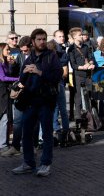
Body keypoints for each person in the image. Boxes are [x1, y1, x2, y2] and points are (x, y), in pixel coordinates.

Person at [12, 28, 62, 177]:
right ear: (33, 41)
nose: (42, 42)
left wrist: (39, 72)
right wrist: (25, 72)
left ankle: (45, 164)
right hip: (30, 101)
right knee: (26, 132)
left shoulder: (51, 56)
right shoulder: (30, 57)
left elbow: (57, 75)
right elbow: (21, 80)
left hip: (46, 101)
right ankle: (28, 162)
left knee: (46, 134)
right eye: (39, 39)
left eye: (44, 39)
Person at [2, 37, 32, 157]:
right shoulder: (19, 56)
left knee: (32, 121)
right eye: (22, 50)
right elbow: (14, 72)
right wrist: (13, 65)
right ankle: (15, 146)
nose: (24, 52)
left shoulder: (36, 56)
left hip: (32, 92)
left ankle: (31, 146)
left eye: (26, 50)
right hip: (20, 92)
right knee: (18, 121)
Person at [67, 27, 96, 130]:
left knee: (89, 96)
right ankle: (78, 121)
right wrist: (82, 67)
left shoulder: (86, 46)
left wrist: (90, 64)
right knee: (78, 98)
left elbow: (91, 58)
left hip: (87, 74)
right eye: (80, 35)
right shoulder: (71, 49)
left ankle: (90, 122)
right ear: (74, 37)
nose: (82, 36)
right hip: (78, 75)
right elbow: (73, 64)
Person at [50, 30, 70, 143]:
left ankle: (58, 129)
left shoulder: (63, 50)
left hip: (59, 81)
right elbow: (64, 71)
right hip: (56, 82)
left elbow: (65, 71)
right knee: (60, 108)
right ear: (54, 37)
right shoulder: (56, 49)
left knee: (57, 108)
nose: (62, 38)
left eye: (63, 36)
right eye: (59, 36)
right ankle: (62, 130)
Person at [0, 43, 18, 153]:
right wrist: (18, 78)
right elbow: (3, 77)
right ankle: (2, 145)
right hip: (1, 93)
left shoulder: (5, 62)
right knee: (4, 118)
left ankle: (4, 142)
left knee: (7, 118)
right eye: (7, 50)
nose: (9, 52)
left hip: (5, 93)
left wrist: (13, 64)